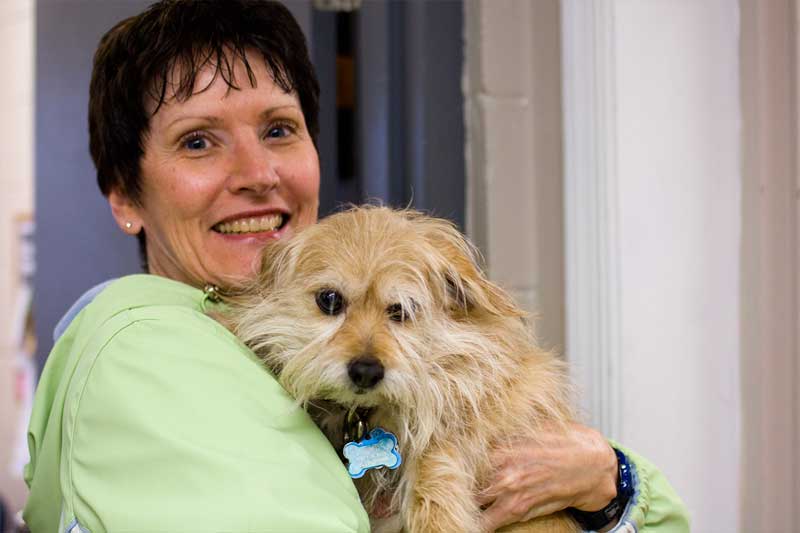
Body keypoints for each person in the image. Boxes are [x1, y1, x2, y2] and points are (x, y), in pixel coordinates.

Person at [23, 1, 689, 532]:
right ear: (123, 193)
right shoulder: (144, 347)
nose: (258, 175)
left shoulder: (286, 348)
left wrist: (611, 483)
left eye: (279, 129)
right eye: (199, 141)